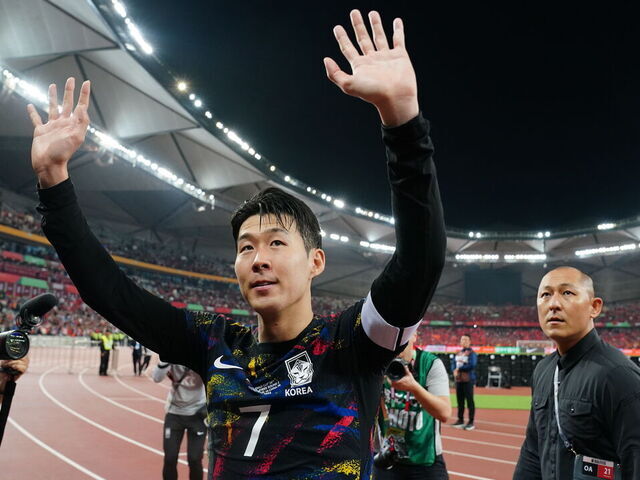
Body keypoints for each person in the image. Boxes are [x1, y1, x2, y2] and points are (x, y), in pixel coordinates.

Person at [27, 9, 446, 479]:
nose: (258, 259)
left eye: (276, 243)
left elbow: (420, 262)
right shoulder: (215, 343)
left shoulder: (352, 343)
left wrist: (402, 121)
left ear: (315, 261)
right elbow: (109, 292)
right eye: (246, 248)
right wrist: (53, 179)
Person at [513, 266, 640, 479]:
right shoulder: (543, 371)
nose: (553, 304)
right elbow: (533, 452)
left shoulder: (619, 376)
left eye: (567, 293)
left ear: (594, 307)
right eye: (545, 294)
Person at [374, 333, 451, 479]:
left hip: (425, 459)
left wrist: (414, 388)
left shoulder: (430, 364)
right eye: (393, 339)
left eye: (403, 338)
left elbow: (444, 413)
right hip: (387, 456)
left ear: (414, 335)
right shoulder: (378, 364)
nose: (397, 345)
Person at [152, 362, 207, 480]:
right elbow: (156, 378)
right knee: (170, 458)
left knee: (195, 459)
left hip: (198, 414)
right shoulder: (173, 355)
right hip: (174, 413)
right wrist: (164, 360)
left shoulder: (202, 355)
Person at [451, 334, 476, 430]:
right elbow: (453, 363)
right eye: (462, 340)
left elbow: (472, 365)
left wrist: (459, 369)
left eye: (466, 340)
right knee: (460, 401)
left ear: (470, 342)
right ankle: (460, 420)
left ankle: (471, 422)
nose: (464, 341)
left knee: (469, 401)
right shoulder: (458, 353)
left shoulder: (472, 353)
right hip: (459, 380)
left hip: (468, 380)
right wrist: (454, 369)